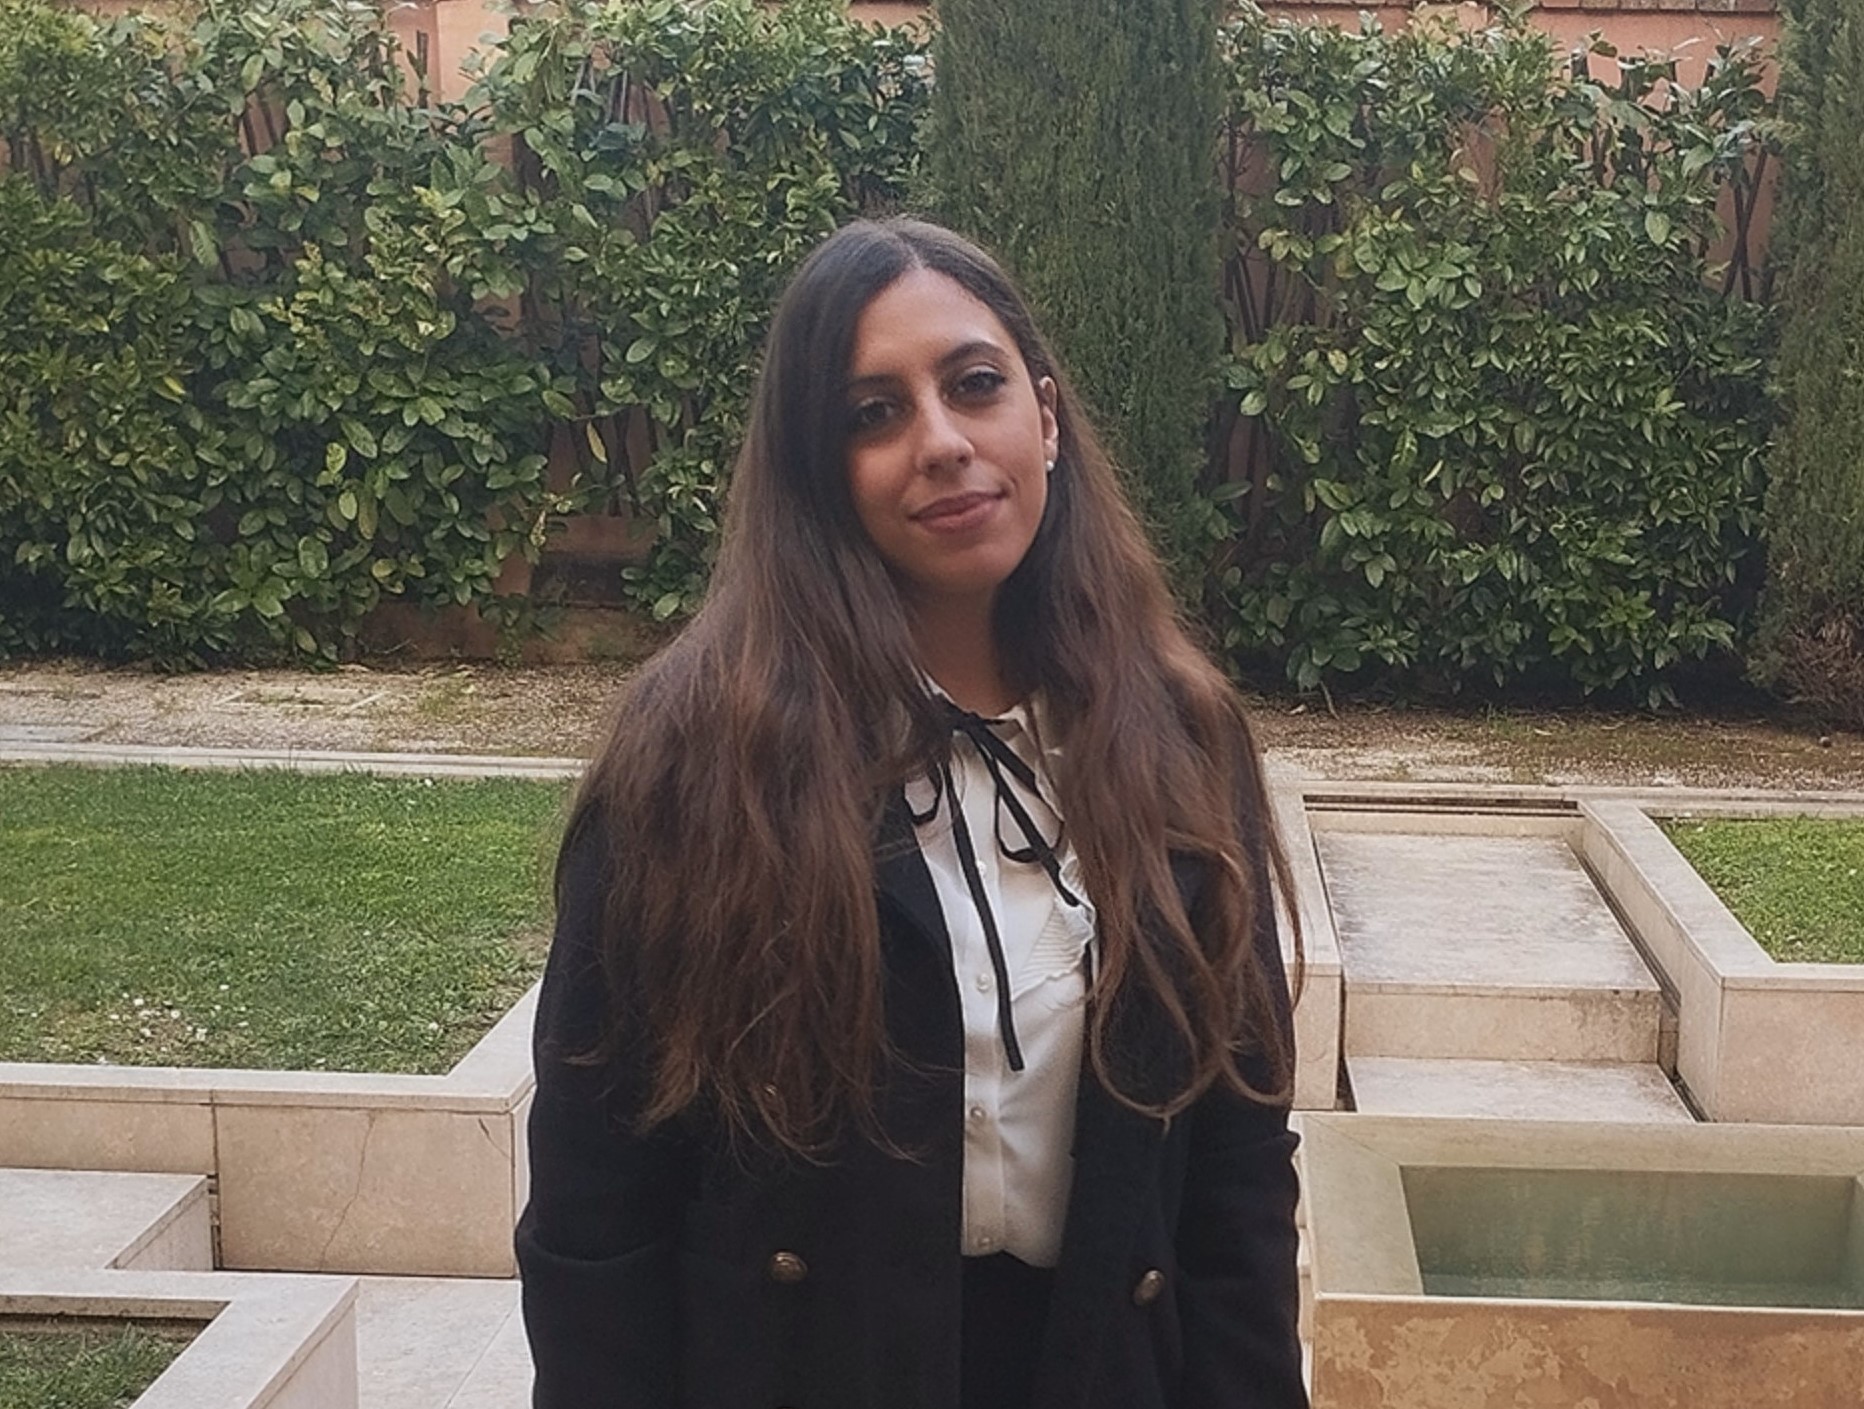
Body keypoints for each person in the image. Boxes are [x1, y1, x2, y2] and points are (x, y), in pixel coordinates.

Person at [517, 216, 1308, 1409]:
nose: (941, 442)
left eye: (974, 384)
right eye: (872, 413)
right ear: (813, 468)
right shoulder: (691, 762)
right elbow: (596, 1212)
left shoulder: (1177, 737)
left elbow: (1236, 1171)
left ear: (1045, 416)